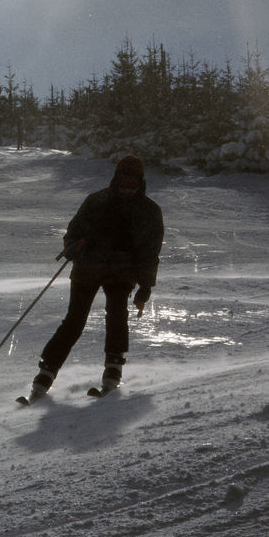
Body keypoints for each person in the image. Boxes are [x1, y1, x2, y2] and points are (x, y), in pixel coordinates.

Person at [26, 155, 164, 400]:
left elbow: (150, 253)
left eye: (132, 182)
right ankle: (45, 374)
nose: (127, 187)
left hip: (121, 273)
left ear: (140, 182)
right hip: (87, 269)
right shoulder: (96, 201)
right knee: (74, 321)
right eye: (123, 180)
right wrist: (72, 248)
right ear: (116, 178)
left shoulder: (150, 211)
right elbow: (73, 231)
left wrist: (145, 287)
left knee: (117, 317)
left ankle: (113, 371)